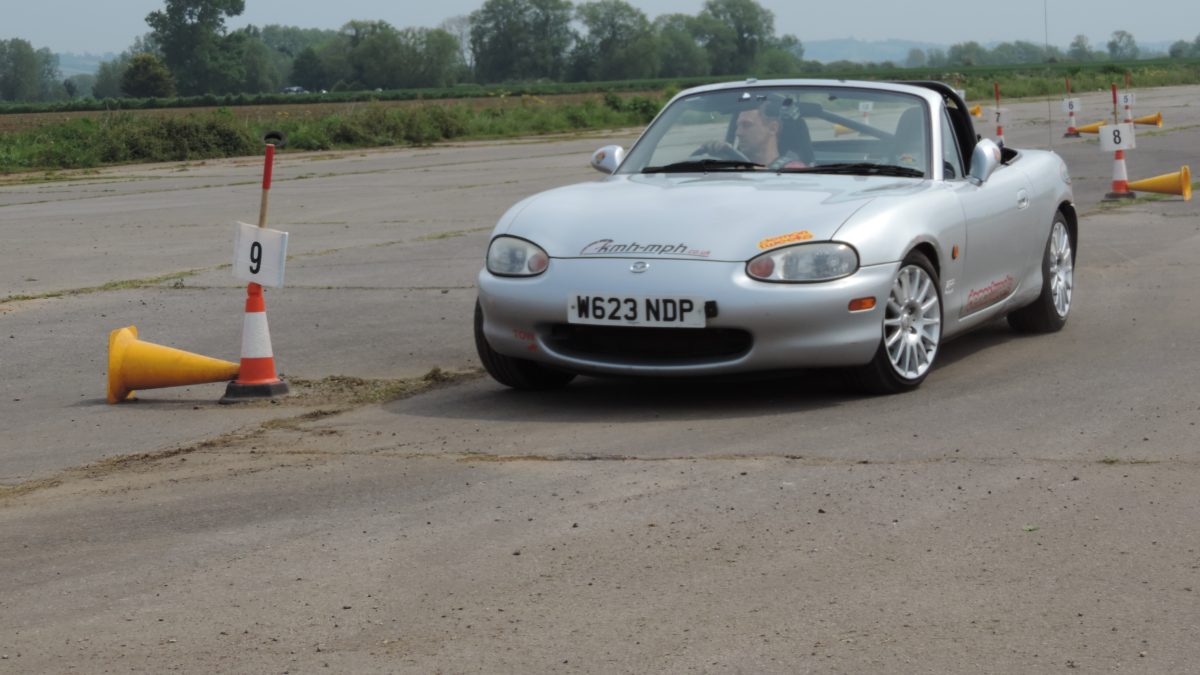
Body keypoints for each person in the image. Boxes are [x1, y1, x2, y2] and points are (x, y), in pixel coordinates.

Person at [699, 101, 808, 170]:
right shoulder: (733, 169)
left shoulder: (794, 170)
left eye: (746, 125)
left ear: (772, 128)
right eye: (738, 126)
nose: (738, 133)